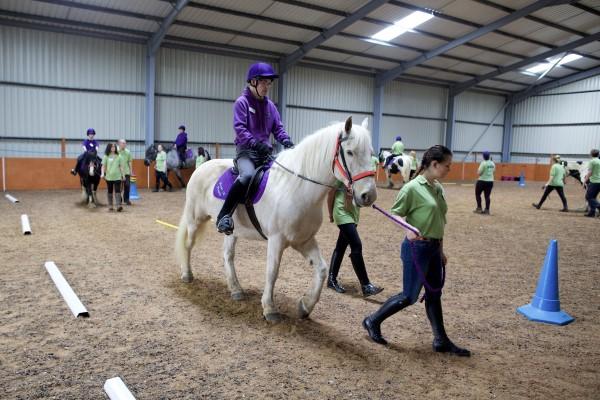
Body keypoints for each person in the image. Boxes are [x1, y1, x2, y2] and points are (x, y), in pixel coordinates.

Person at [362, 145, 470, 356]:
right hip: (416, 248)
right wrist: (407, 229)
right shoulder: (412, 187)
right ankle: (372, 321)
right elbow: (396, 213)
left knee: (434, 294)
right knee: (409, 296)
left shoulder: (438, 188)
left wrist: (441, 250)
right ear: (434, 164)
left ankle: (441, 340)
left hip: (433, 248)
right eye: (447, 166)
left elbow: (439, 221)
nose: (450, 169)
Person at [215, 62, 294, 234]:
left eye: (269, 83)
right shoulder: (242, 103)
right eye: (264, 82)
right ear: (253, 82)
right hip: (247, 152)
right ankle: (224, 216)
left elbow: (278, 128)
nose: (268, 86)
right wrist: (255, 143)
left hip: (265, 153)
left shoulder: (270, 106)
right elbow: (240, 128)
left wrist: (286, 140)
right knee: (247, 175)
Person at [326, 182, 384, 297]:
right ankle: (366, 285)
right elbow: (330, 194)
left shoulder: (358, 177)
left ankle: (331, 279)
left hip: (353, 215)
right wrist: (330, 214)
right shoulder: (340, 177)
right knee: (356, 245)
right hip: (342, 213)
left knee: (340, 247)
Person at [101, 143, 125, 212]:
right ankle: (110, 205)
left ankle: (118, 206)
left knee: (118, 190)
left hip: (117, 177)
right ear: (109, 148)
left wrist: (123, 175)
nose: (113, 148)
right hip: (109, 177)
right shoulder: (106, 156)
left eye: (114, 147)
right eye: (112, 147)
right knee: (110, 191)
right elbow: (103, 166)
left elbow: (121, 167)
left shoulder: (119, 156)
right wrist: (102, 173)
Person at [474, 151, 495, 215]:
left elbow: (479, 173)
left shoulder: (483, 163)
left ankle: (479, 208)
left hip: (482, 181)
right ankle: (487, 210)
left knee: (477, 194)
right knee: (487, 196)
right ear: (489, 156)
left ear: (483, 156)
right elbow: (493, 172)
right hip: (490, 181)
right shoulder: (492, 163)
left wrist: (479, 172)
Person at [583, 148, 600, 217]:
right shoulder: (599, 161)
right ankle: (592, 213)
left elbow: (590, 172)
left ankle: (599, 207)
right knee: (593, 197)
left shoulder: (592, 161)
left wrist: (585, 180)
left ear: (591, 154)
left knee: (588, 197)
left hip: (595, 181)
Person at [117, 139, 133, 205]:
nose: (124, 144)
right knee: (118, 187)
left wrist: (131, 171)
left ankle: (126, 199)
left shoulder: (128, 152)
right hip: (118, 172)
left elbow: (129, 162)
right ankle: (119, 199)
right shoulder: (116, 151)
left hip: (126, 172)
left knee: (127, 185)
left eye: (125, 143)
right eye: (123, 143)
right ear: (119, 144)